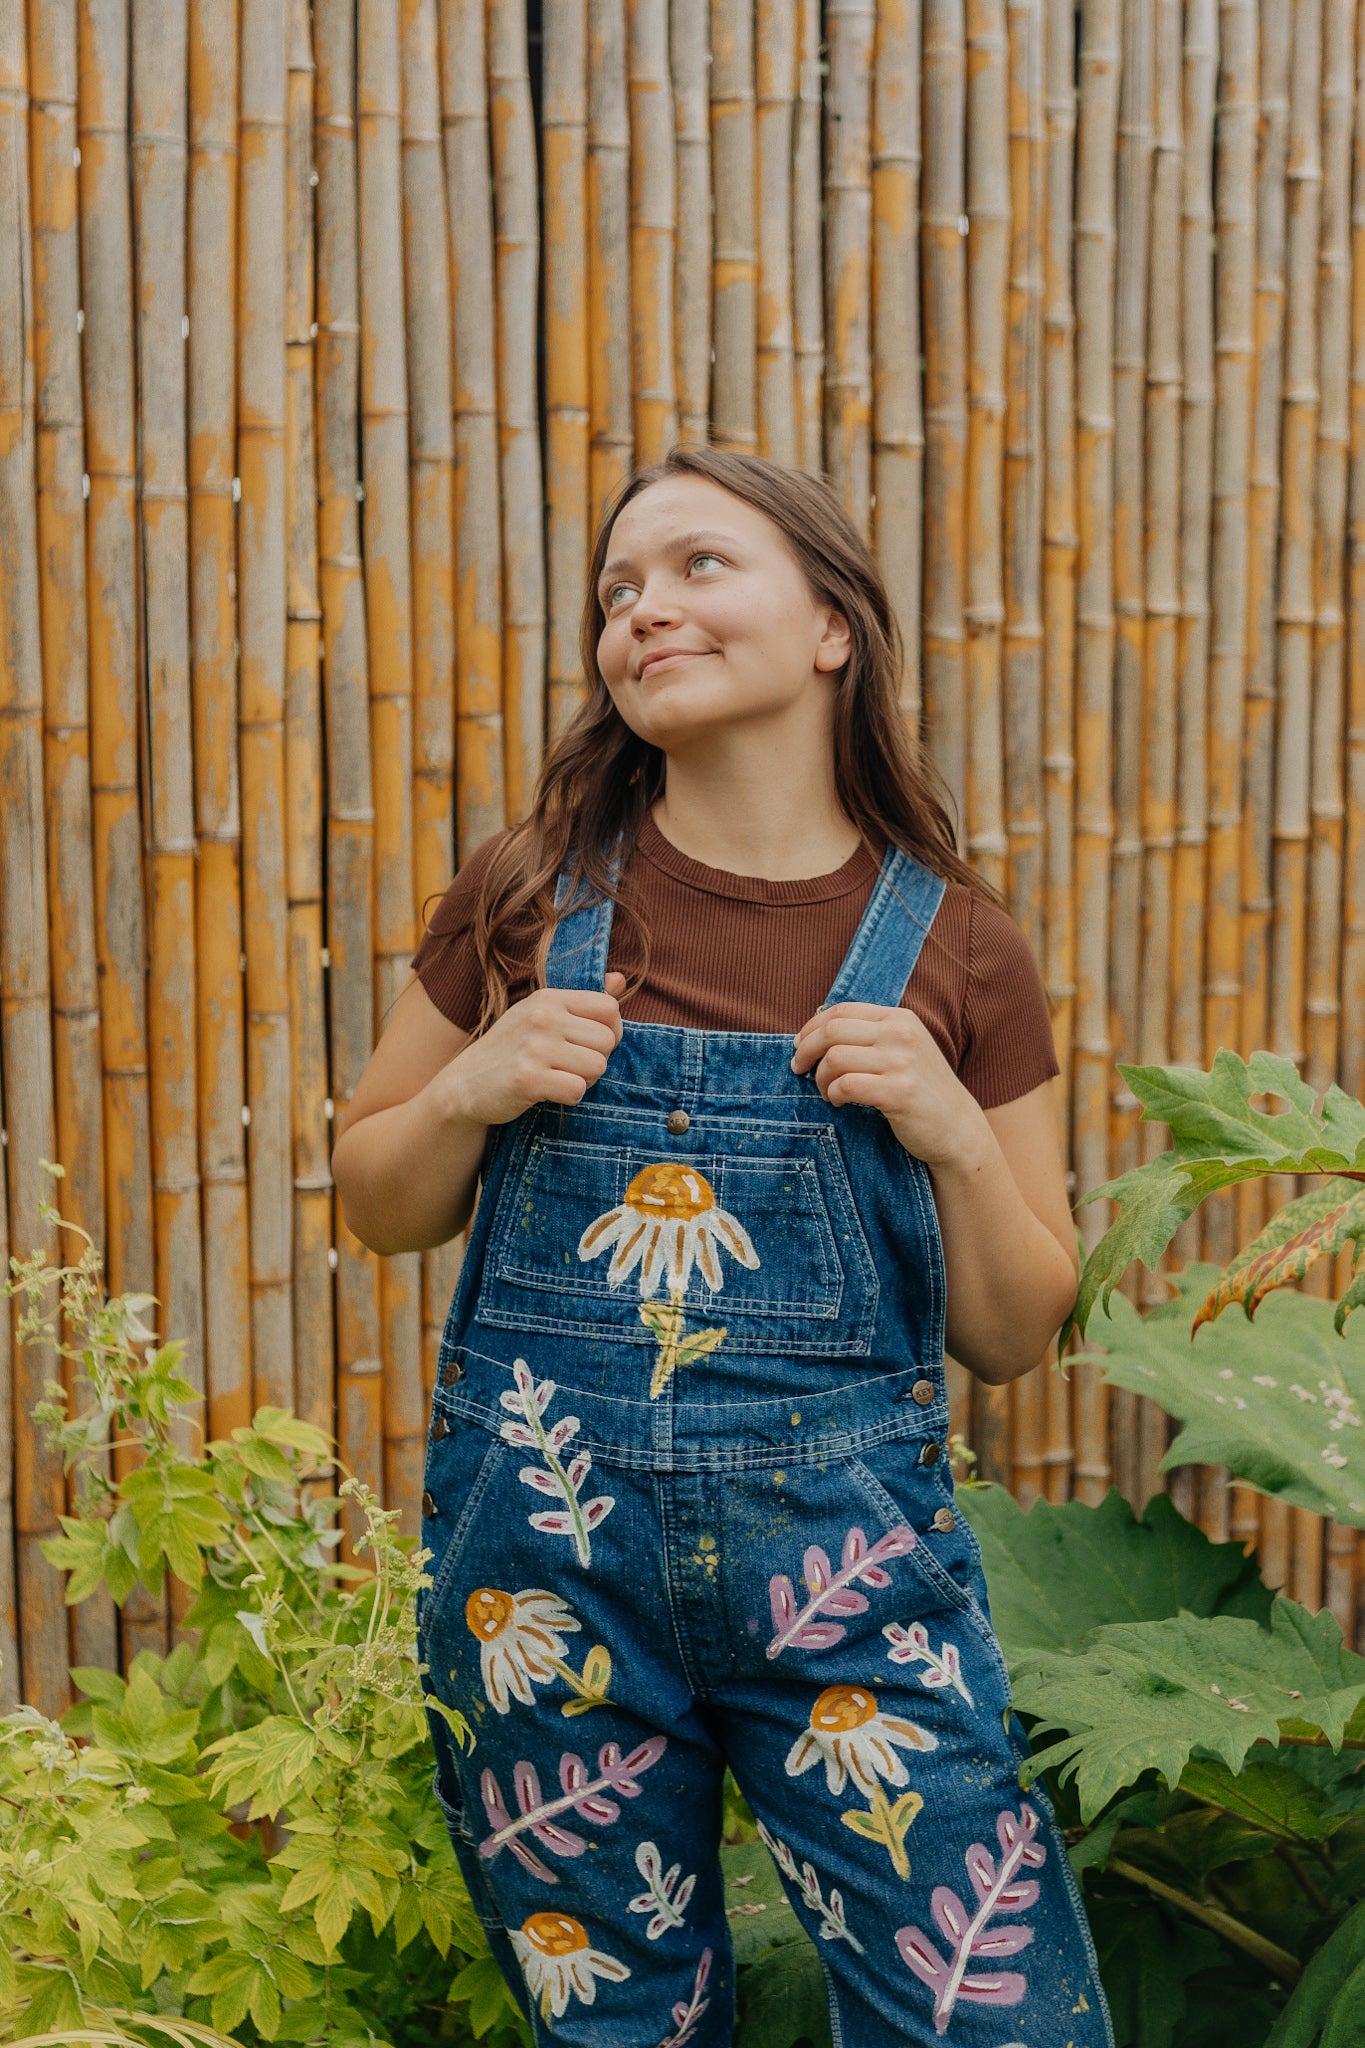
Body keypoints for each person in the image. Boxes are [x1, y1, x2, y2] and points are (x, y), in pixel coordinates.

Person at [332, 447, 1112, 2047]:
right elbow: (377, 1198)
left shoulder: (958, 945)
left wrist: (954, 1132)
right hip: (543, 1578)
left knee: (987, 2013)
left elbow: (1018, 1325)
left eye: (695, 567)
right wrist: (474, 1087)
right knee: (617, 2030)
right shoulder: (527, 895)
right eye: (616, 591)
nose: (641, 611)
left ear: (832, 625)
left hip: (851, 1578)